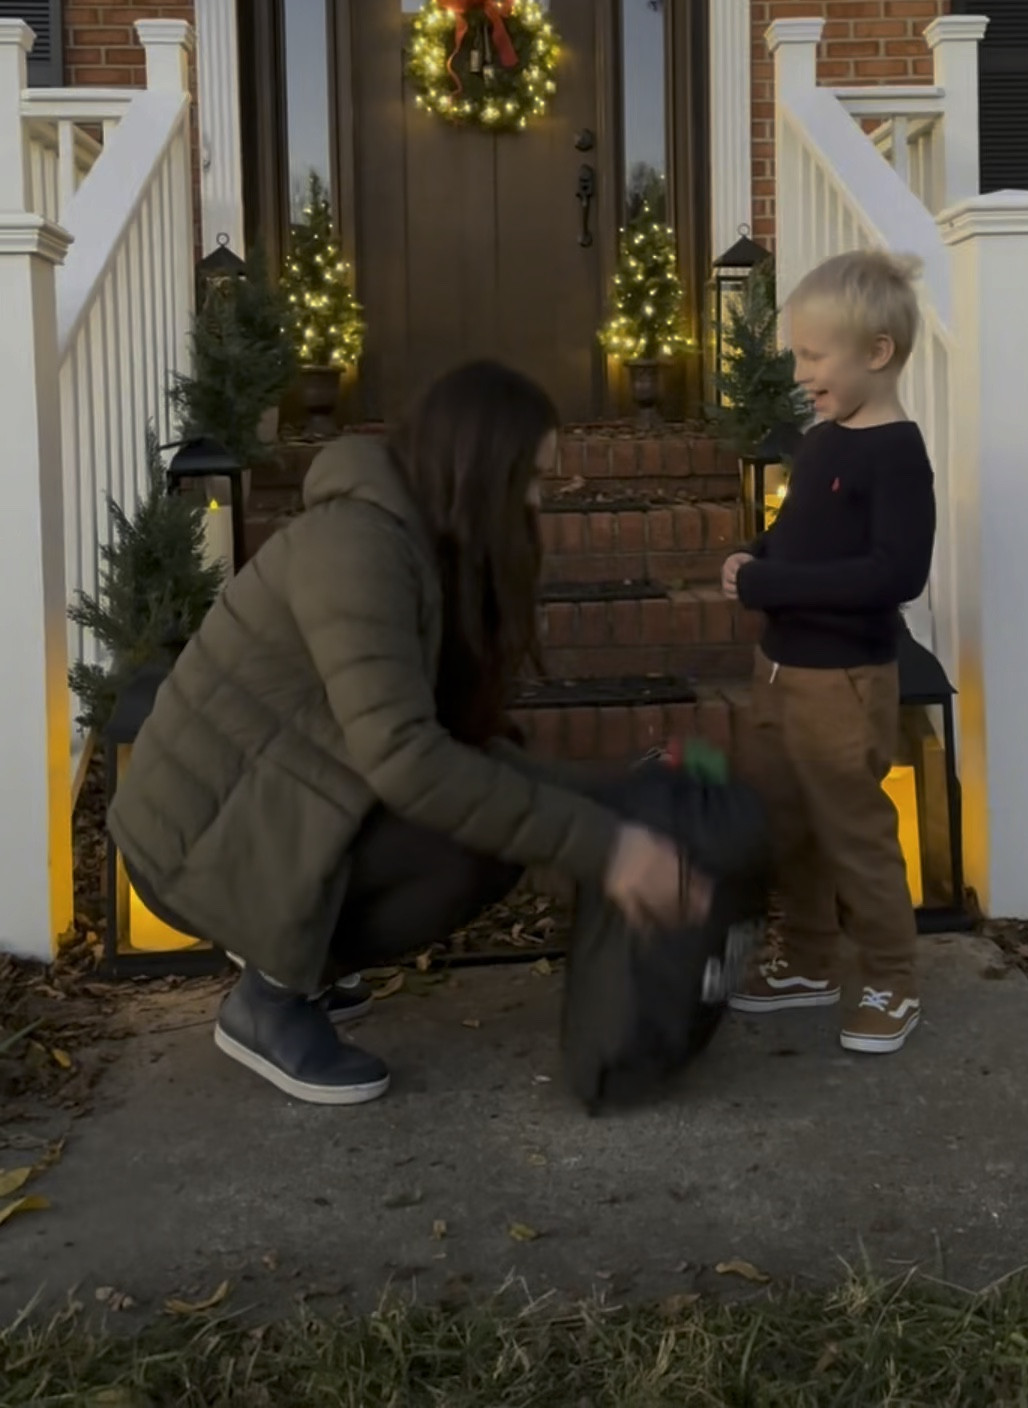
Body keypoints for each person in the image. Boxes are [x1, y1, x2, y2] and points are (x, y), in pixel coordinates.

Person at [108, 361, 710, 1107]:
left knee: (495, 800)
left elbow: (466, 751)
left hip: (281, 800)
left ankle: (304, 962)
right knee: (473, 845)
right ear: (480, 466)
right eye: (530, 478)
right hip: (195, 838)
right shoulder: (355, 548)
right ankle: (268, 998)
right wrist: (610, 848)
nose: (537, 501)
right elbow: (409, 763)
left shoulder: (419, 542)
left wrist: (620, 794)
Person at [723, 251, 935, 1056]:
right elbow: (796, 533)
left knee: (853, 832)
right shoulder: (822, 444)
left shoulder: (896, 455)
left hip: (843, 683)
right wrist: (756, 555)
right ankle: (809, 961)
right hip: (777, 673)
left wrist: (778, 586)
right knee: (789, 824)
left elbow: (894, 573)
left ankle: (892, 977)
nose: (801, 371)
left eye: (815, 357)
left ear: (876, 353)